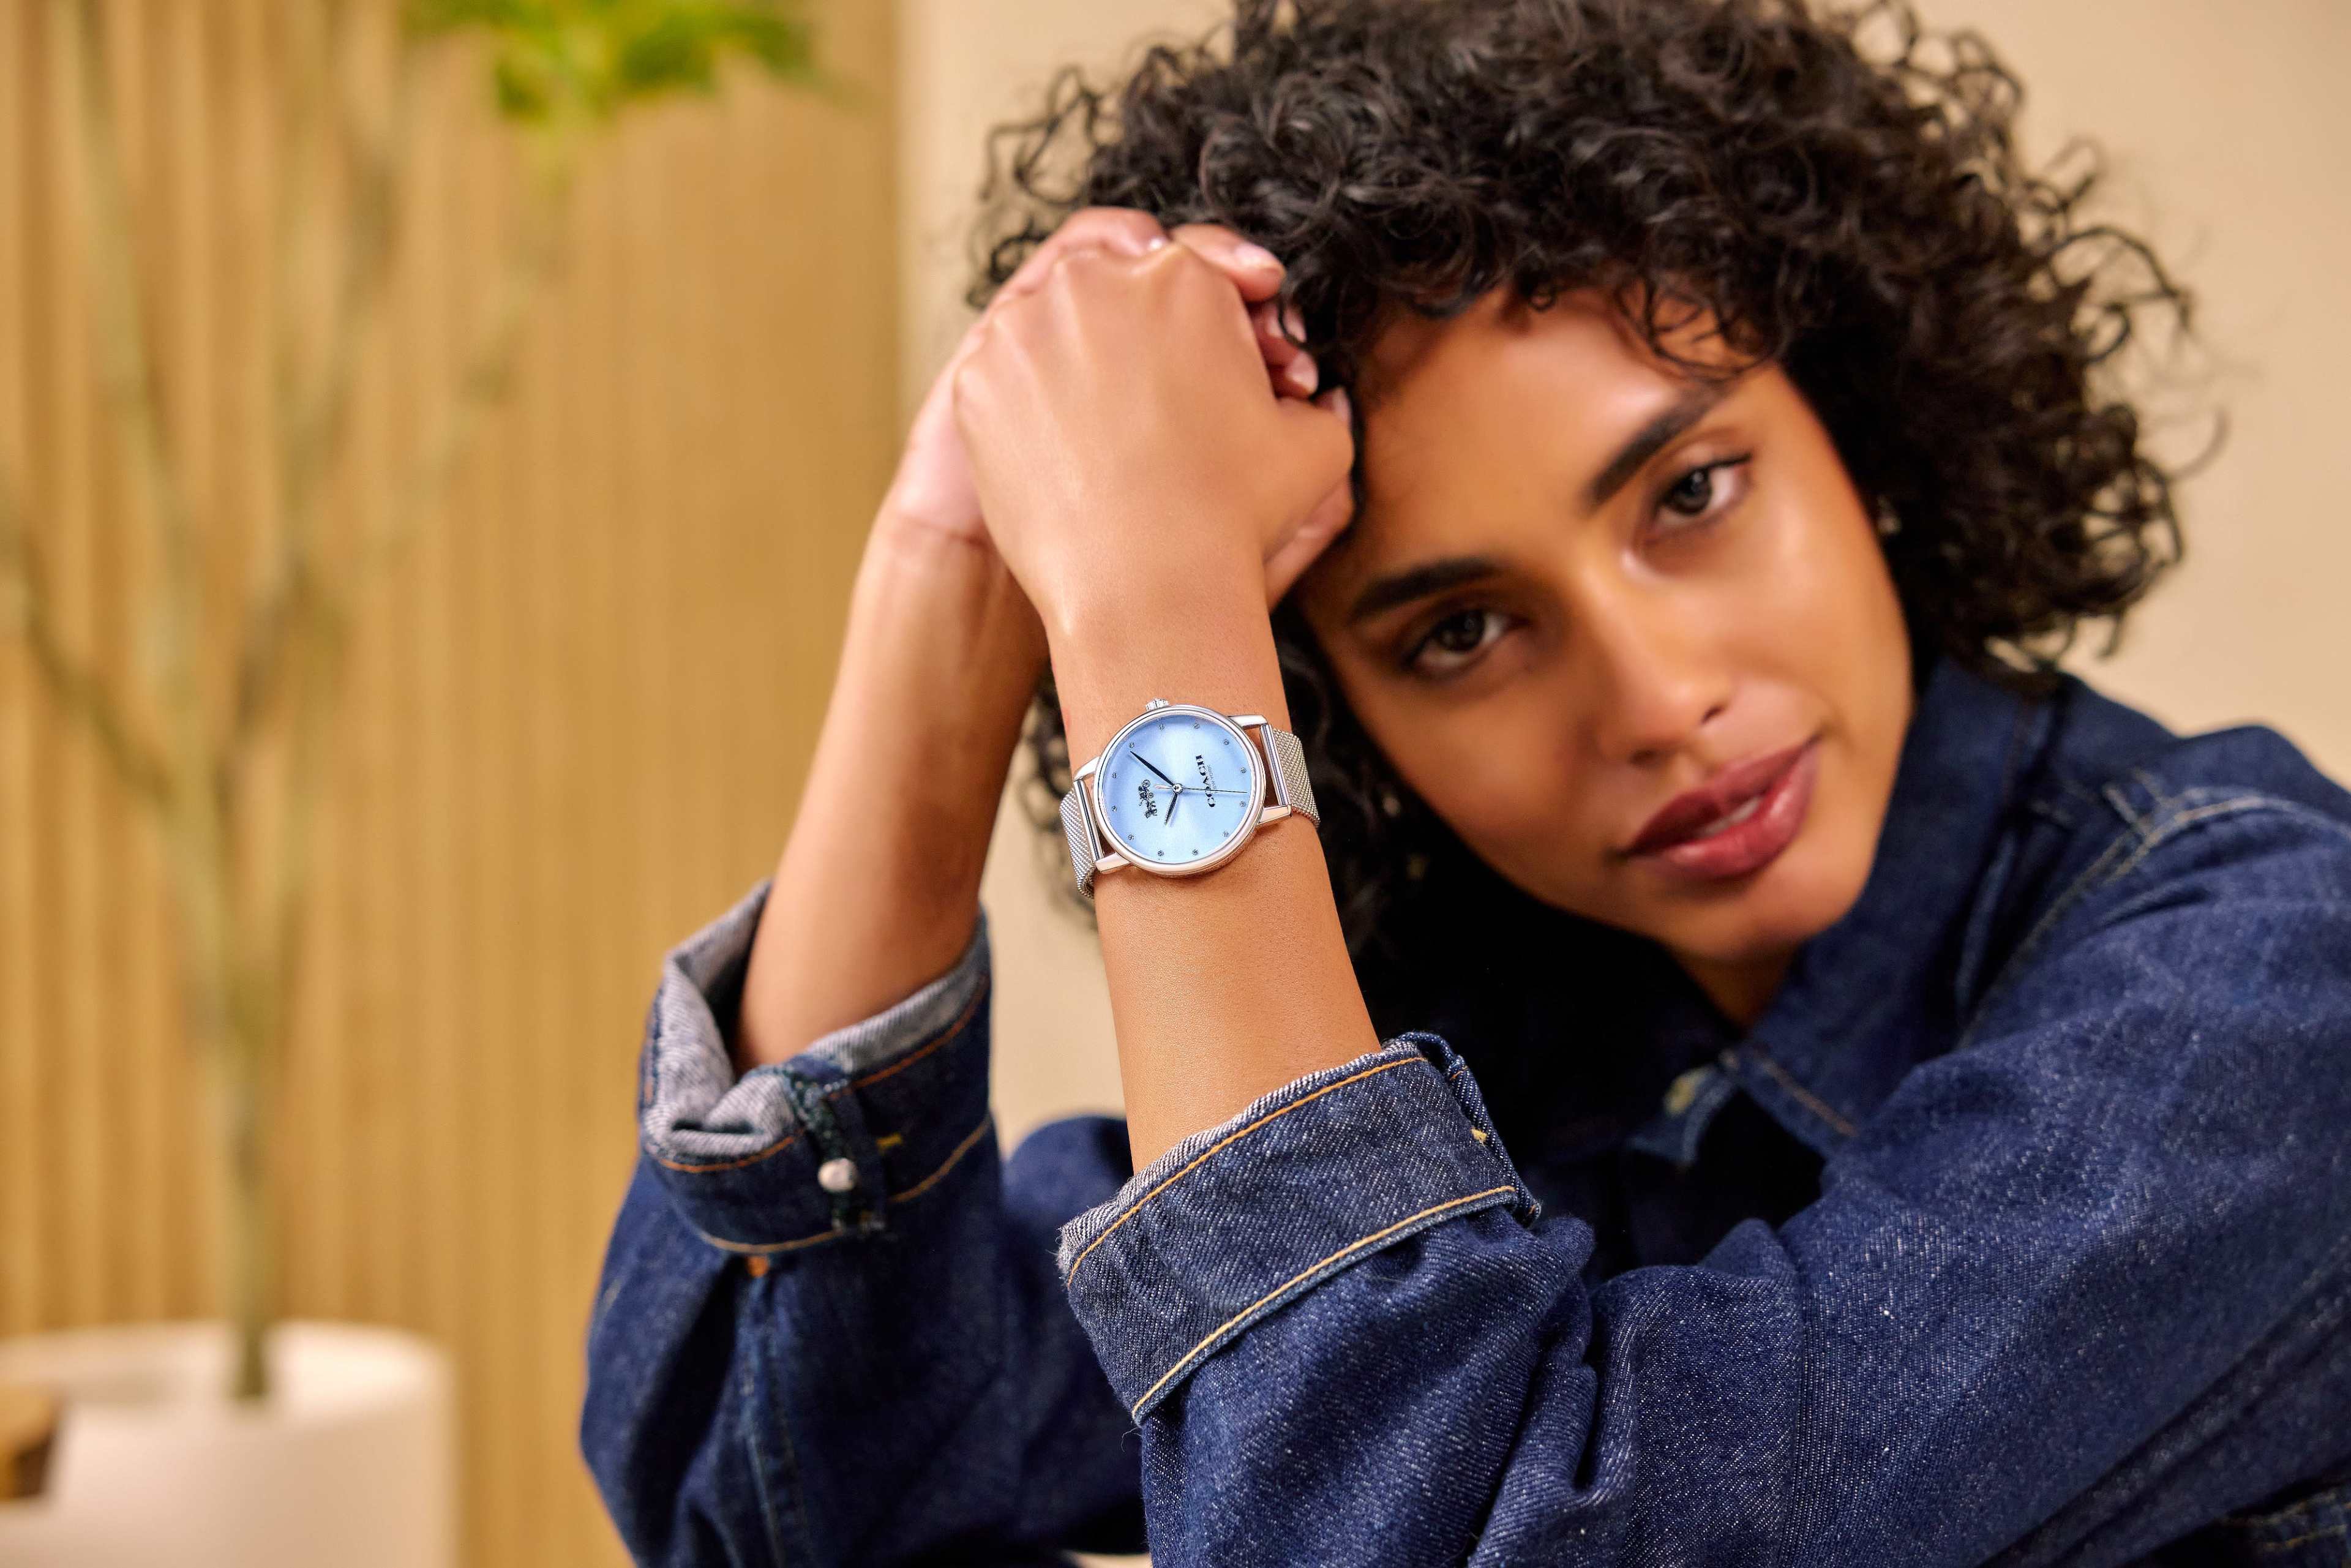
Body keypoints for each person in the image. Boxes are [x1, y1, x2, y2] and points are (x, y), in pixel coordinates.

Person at [578, 0, 2351, 1562]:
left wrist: (1151, 599)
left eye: (1692, 494)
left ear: (1861, 429)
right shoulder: (1523, 1040)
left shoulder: (2269, 980)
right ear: (1332, 707)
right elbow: (786, 1497)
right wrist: (954, 571)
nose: (1659, 702)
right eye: (1457, 633)